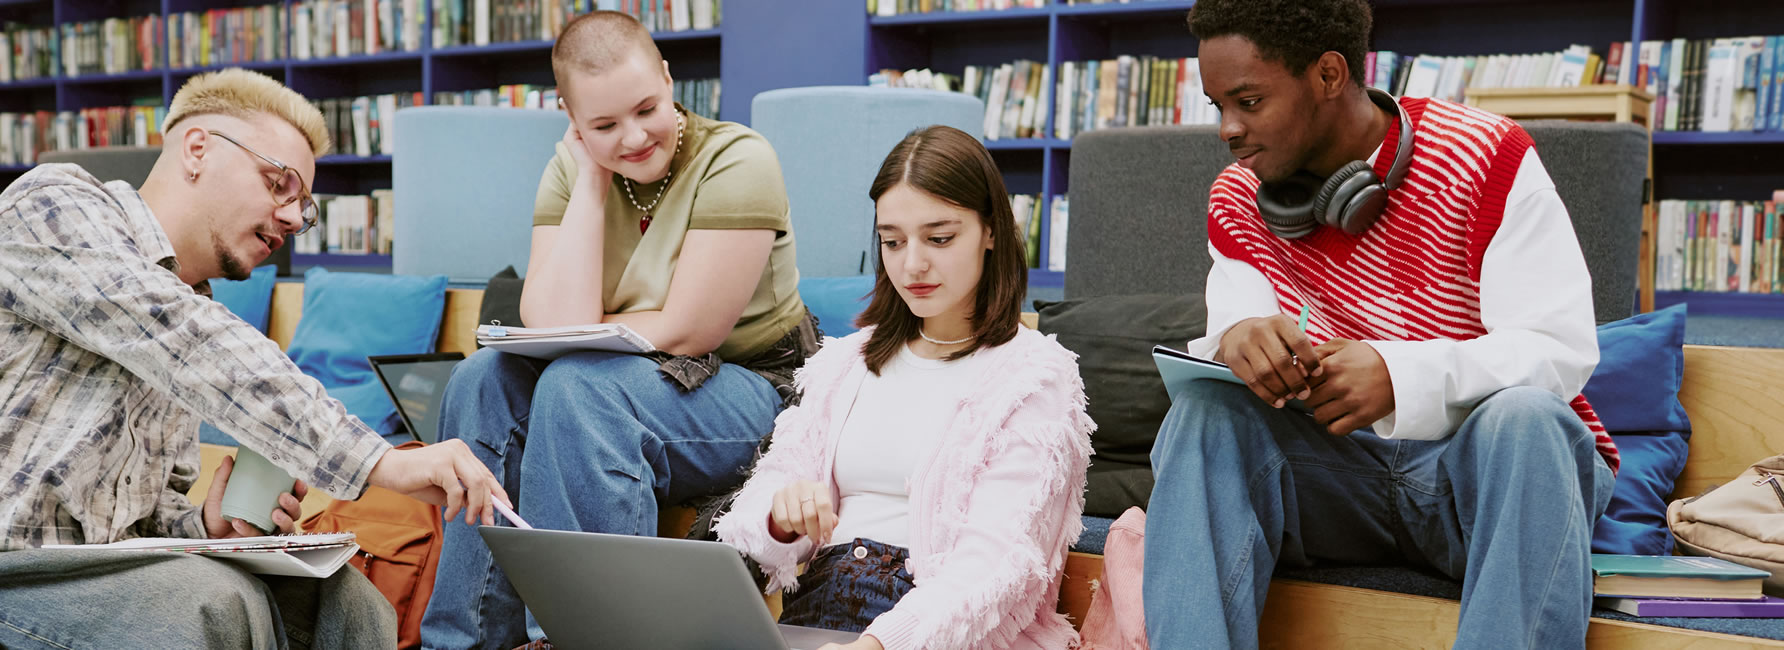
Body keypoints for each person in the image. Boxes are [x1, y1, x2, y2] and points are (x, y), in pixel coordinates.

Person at [0, 68, 507, 649]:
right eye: (278, 184)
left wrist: (205, 523)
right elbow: (188, 340)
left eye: (302, 206)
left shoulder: (191, 302)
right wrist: (381, 462)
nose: (290, 217)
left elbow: (144, 517)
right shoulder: (53, 206)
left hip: (90, 572)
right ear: (197, 149)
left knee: (347, 603)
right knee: (213, 605)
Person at [1144, 1, 1618, 647]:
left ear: (1329, 74)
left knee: (1529, 417)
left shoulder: (1485, 156)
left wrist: (1398, 375)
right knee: (1205, 412)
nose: (1229, 129)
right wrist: (1239, 338)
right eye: (1218, 106)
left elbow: (1559, 351)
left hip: (1483, 484)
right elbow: (1235, 321)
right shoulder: (1239, 195)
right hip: (1338, 481)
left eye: (1249, 101)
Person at [421, 10, 818, 649]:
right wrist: (591, 181)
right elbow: (552, 321)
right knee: (481, 380)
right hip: (627, 376)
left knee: (580, 388)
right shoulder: (571, 170)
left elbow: (690, 330)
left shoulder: (738, 158)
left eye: (647, 109)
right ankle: (463, 641)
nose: (633, 137)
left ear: (667, 77)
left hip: (753, 385)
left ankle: (581, 637)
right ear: (570, 116)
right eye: (604, 125)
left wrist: (589, 328)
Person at [715, 125, 1094, 650]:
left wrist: (880, 644)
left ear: (991, 230)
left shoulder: (1034, 376)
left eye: (939, 238)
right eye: (892, 241)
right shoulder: (846, 362)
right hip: (818, 617)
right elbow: (758, 507)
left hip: (940, 635)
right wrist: (781, 518)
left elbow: (994, 568)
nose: (912, 264)